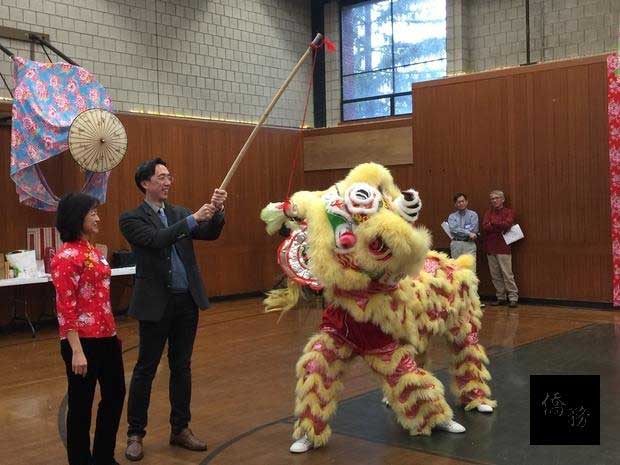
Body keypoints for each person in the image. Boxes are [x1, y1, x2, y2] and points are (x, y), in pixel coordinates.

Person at [120, 157, 227, 461]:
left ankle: (180, 428)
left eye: (169, 177)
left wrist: (217, 210)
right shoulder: (131, 219)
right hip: (155, 305)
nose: (168, 182)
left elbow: (210, 233)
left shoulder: (178, 213)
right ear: (145, 183)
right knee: (145, 370)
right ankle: (135, 433)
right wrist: (193, 219)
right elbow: (157, 240)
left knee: (182, 367)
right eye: (162, 177)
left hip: (186, 302)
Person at [51, 193, 126, 465]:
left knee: (116, 395)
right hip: (81, 342)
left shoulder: (92, 251)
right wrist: (76, 352)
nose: (97, 216)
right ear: (76, 217)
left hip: (107, 337)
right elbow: (65, 307)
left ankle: (104, 456)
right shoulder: (65, 257)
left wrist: (113, 335)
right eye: (92, 212)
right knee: (81, 407)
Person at [482, 190, 519, 307]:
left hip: (503, 247)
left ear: (502, 199)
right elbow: (485, 227)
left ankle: (513, 297)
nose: (494, 200)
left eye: (496, 198)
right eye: (492, 199)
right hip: (490, 247)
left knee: (507, 274)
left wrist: (493, 224)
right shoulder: (488, 212)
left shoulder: (509, 212)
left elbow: (507, 224)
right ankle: (501, 297)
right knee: (495, 275)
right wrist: (498, 225)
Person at [447, 192, 479, 272]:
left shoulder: (473, 215)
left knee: (471, 271)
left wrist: (462, 231)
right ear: (455, 204)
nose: (461, 203)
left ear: (466, 202)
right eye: (458, 202)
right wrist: (468, 233)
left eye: (463, 201)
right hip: (456, 245)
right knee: (457, 271)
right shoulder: (452, 216)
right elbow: (454, 229)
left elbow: (474, 230)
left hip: (469, 244)